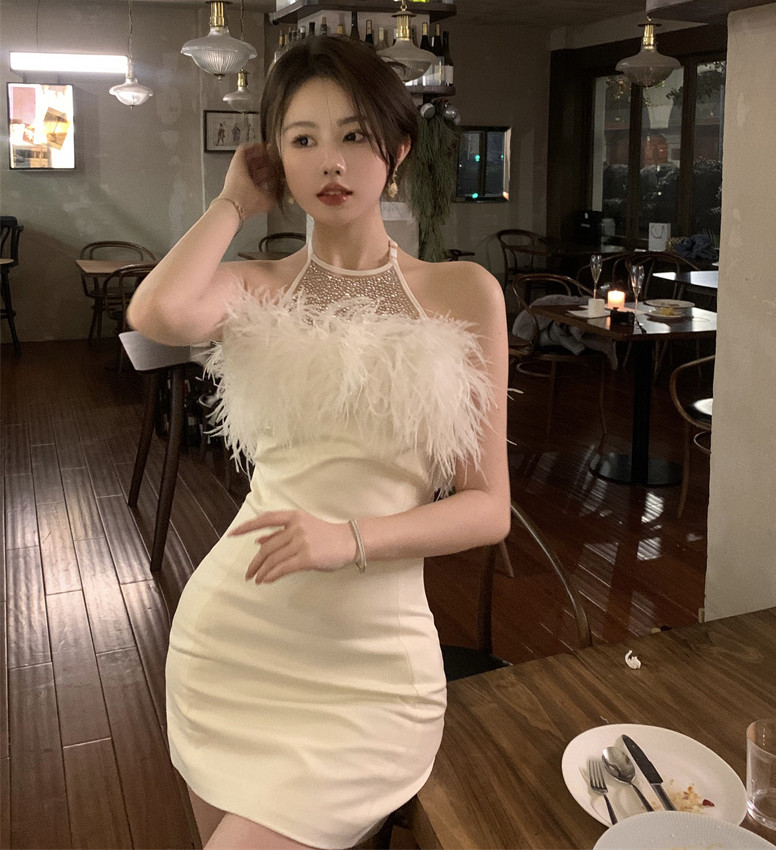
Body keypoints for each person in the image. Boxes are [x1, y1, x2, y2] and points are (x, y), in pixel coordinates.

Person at [127, 35, 509, 850]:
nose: (330, 160)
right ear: (278, 160)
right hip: (234, 639)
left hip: (371, 665)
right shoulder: (257, 287)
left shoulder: (462, 292)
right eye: (303, 139)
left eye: (355, 135)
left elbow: (489, 509)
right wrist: (232, 204)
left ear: (396, 151)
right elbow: (155, 314)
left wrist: (349, 538)